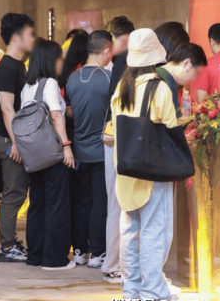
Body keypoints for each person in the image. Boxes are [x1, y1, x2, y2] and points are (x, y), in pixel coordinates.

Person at [111, 28, 178, 301]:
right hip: (153, 169)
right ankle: (152, 290)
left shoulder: (122, 88)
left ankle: (131, 290)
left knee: (129, 230)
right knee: (154, 230)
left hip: (126, 168)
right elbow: (171, 128)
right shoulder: (158, 88)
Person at [21, 39, 76, 270]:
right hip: (52, 153)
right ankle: (55, 259)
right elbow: (55, 115)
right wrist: (66, 145)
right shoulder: (50, 83)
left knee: (37, 204)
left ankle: (35, 256)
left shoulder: (27, 86)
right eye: (59, 57)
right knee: (56, 205)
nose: (62, 61)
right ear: (50, 60)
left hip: (33, 154)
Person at [65, 31, 113, 270]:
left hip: (78, 151)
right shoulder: (108, 78)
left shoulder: (72, 79)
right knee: (99, 203)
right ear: (107, 51)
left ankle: (79, 251)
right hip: (101, 151)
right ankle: (98, 252)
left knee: (81, 201)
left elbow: (71, 112)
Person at [0, 12, 36, 263]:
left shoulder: (18, 65)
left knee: (18, 192)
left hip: (16, 138)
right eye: (30, 33)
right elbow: (7, 108)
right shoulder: (8, 67)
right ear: (16, 37)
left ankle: (10, 243)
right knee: (14, 193)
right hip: (10, 140)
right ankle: (7, 247)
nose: (33, 38)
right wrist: (16, 142)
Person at [101, 15, 135, 283]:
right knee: (118, 204)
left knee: (118, 203)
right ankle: (113, 264)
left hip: (114, 137)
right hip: (119, 139)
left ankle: (115, 262)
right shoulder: (124, 62)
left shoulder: (120, 62)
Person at [155, 43, 208, 119]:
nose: (195, 78)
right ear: (186, 64)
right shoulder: (165, 82)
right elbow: (170, 123)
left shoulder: (160, 73)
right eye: (196, 72)